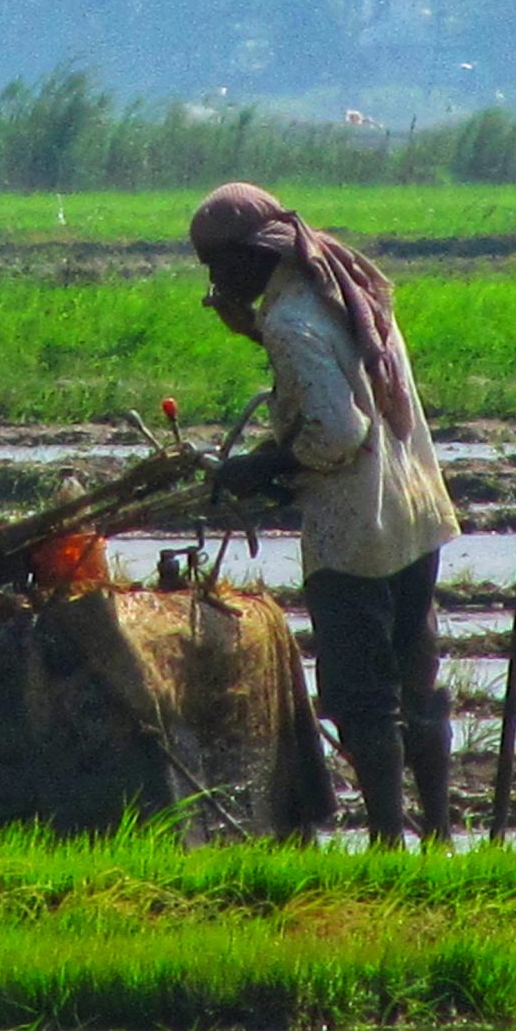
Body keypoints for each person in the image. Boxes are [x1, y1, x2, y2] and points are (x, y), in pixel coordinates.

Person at [190, 181, 460, 845]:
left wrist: (262, 465)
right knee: (416, 681)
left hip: (356, 529)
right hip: (413, 508)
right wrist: (253, 328)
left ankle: (387, 841)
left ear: (250, 255)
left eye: (215, 263)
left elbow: (335, 435)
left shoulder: (290, 320)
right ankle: (442, 836)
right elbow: (337, 367)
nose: (213, 278)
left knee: (361, 697)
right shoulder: (342, 281)